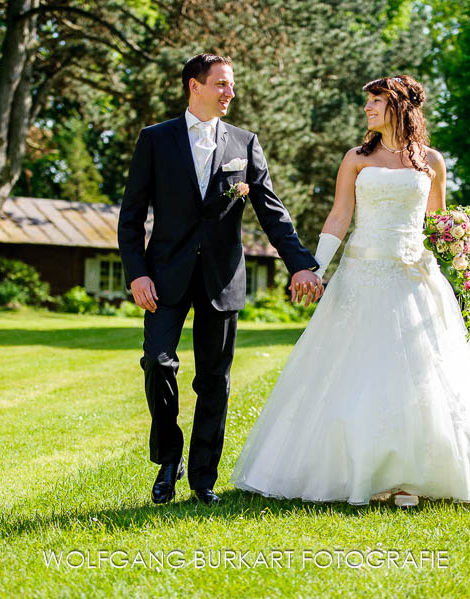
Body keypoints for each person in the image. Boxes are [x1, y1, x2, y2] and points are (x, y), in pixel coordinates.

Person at [231, 75, 470, 507]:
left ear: (400, 107)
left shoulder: (431, 161)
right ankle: (356, 470)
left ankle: (409, 478)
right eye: (368, 101)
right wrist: (315, 266)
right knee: (361, 369)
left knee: (418, 375)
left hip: (413, 276)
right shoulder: (355, 158)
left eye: (376, 101)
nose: (368, 108)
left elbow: (436, 219)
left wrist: (456, 237)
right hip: (361, 274)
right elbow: (339, 216)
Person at [118, 53, 323, 506]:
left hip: (221, 278)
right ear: (195, 86)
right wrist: (137, 274)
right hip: (164, 277)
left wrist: (301, 264)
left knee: (215, 381)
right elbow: (131, 216)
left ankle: (202, 480)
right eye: (222, 84)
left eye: (231, 85)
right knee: (158, 362)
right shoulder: (155, 140)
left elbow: (271, 212)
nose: (231, 92)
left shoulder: (245, 143)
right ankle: (168, 456)